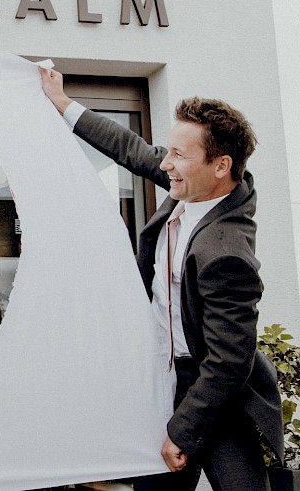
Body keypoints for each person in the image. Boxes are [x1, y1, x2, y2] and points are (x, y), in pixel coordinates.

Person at [40, 67, 282, 490]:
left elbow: (228, 362)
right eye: (168, 151)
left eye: (178, 155)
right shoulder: (194, 186)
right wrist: (62, 103)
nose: (165, 163)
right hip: (161, 383)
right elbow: (131, 149)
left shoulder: (226, 253)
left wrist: (181, 430)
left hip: (216, 394)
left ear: (221, 165)